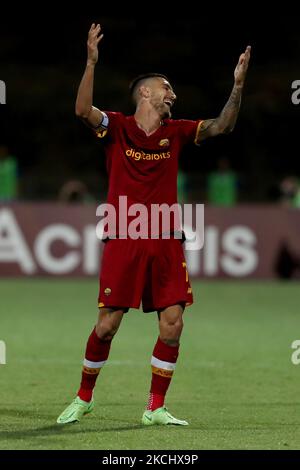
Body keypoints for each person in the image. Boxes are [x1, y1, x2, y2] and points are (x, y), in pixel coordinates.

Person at [57, 23, 251, 426]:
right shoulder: (117, 127)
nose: (173, 95)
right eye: (167, 89)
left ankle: (154, 407)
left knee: (173, 323)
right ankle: (84, 397)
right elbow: (80, 111)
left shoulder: (176, 133)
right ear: (145, 92)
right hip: (124, 237)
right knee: (107, 325)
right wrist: (91, 63)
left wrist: (237, 86)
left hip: (165, 239)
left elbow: (223, 126)